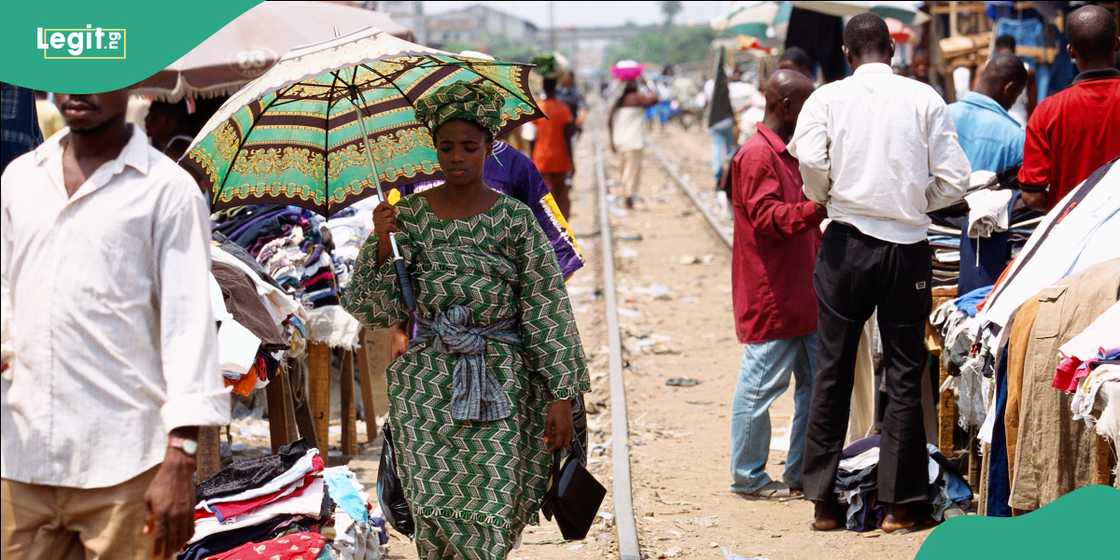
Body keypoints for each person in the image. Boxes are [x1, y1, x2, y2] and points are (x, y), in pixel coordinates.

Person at [342, 82, 589, 559]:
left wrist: (562, 396)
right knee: (433, 510)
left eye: (469, 147)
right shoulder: (407, 217)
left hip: (504, 383)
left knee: (495, 505)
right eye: (446, 147)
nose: (456, 157)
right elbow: (373, 309)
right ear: (434, 149)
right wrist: (379, 246)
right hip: (426, 390)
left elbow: (546, 306)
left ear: (489, 149)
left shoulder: (516, 220)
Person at [1, 89, 229, 558]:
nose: (77, 89)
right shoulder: (20, 179)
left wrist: (180, 460)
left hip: (126, 466)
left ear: (131, 82)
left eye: (97, 74)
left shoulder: (167, 190)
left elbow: (188, 330)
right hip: (20, 461)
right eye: (65, 72)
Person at [788, 13, 970, 532]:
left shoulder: (826, 99)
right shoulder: (925, 98)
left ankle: (824, 503)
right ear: (891, 48)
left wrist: (827, 198)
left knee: (833, 368)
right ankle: (897, 507)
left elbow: (813, 165)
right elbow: (955, 179)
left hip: (845, 244)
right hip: (906, 248)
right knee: (905, 372)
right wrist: (916, 203)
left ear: (847, 53)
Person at [727, 70, 822, 499]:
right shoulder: (756, 156)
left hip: (803, 290)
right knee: (760, 388)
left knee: (815, 385)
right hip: (773, 295)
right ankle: (747, 476)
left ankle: (801, 471)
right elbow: (768, 218)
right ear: (786, 106)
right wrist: (816, 209)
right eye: (805, 107)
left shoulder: (785, 154)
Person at [1018, 5, 1120, 211]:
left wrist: (1067, 211)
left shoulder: (1047, 112)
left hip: (1070, 235)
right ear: (1116, 44)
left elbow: (1031, 196)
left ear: (1070, 51)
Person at [949, 53, 1029, 294]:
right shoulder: (1015, 136)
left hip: (931, 241)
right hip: (983, 255)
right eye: (1017, 95)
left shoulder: (942, 115)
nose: (1015, 101)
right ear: (1010, 88)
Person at [609, 79, 657, 209]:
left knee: (624, 169)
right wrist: (647, 83)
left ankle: (626, 195)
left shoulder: (618, 102)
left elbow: (609, 122)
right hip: (633, 142)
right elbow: (655, 99)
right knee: (631, 171)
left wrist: (611, 142)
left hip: (619, 141)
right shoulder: (638, 99)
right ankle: (628, 197)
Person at [532, 77, 575, 219]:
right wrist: (571, 160)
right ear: (556, 88)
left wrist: (532, 158)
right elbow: (568, 137)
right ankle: (563, 225)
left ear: (543, 88)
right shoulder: (563, 109)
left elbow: (531, 137)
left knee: (545, 194)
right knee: (561, 193)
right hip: (560, 157)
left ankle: (548, 226)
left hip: (541, 158)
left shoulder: (539, 108)